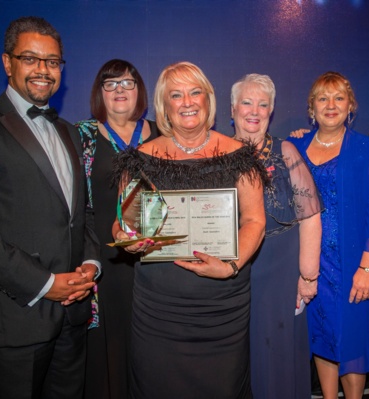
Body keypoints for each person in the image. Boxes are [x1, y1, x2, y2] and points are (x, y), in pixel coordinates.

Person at [0, 16, 99, 399]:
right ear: (8, 63)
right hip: (16, 317)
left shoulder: (71, 133)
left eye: (53, 62)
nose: (44, 70)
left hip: (73, 315)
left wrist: (91, 267)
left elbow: (81, 214)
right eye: (31, 59)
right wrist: (45, 284)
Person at [111, 61, 267, 399]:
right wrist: (127, 238)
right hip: (159, 312)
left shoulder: (239, 155)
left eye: (195, 92)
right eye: (176, 95)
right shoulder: (142, 157)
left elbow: (255, 221)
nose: (187, 101)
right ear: (164, 106)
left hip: (222, 311)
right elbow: (126, 222)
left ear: (208, 99)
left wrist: (231, 266)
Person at [288, 71, 369, 399]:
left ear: (351, 106)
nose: (330, 105)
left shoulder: (368, 149)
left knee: (353, 339)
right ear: (311, 108)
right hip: (311, 263)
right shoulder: (295, 147)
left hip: (352, 266)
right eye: (322, 98)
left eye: (338, 98)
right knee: (320, 334)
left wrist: (367, 269)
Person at [231, 74, 322, 399]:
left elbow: (311, 216)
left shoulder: (286, 152)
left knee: (278, 356)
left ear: (271, 111)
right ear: (232, 109)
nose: (254, 111)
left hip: (280, 271)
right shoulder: (217, 152)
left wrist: (308, 277)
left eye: (263, 104)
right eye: (247, 102)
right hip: (234, 272)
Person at [75, 59, 159, 399]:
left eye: (127, 83)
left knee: (153, 348)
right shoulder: (81, 137)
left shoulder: (162, 132)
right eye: (110, 84)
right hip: (105, 261)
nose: (120, 90)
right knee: (110, 351)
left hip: (156, 259)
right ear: (100, 93)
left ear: (139, 90)